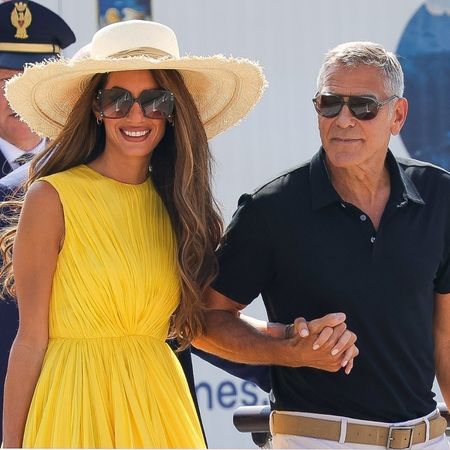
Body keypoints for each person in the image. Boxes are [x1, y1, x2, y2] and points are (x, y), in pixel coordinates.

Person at [0, 19, 267, 448]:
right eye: (117, 100)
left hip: (159, 407)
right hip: (73, 409)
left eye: (155, 101)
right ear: (95, 107)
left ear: (173, 110)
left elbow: (200, 323)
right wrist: (11, 445)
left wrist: (292, 344)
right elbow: (29, 340)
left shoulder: (179, 208)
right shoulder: (51, 198)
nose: (136, 115)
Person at [194, 41, 450, 449]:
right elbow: (203, 321)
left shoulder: (440, 195)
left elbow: (445, 335)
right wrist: (288, 350)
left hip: (426, 439)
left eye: (363, 106)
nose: (343, 120)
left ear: (397, 115)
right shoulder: (271, 209)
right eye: (330, 104)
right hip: (316, 440)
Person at [0, 0, 75, 443]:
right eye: (6, 81)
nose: (17, 97)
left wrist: (276, 364)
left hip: (83, 402)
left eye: (31, 83)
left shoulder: (94, 168)